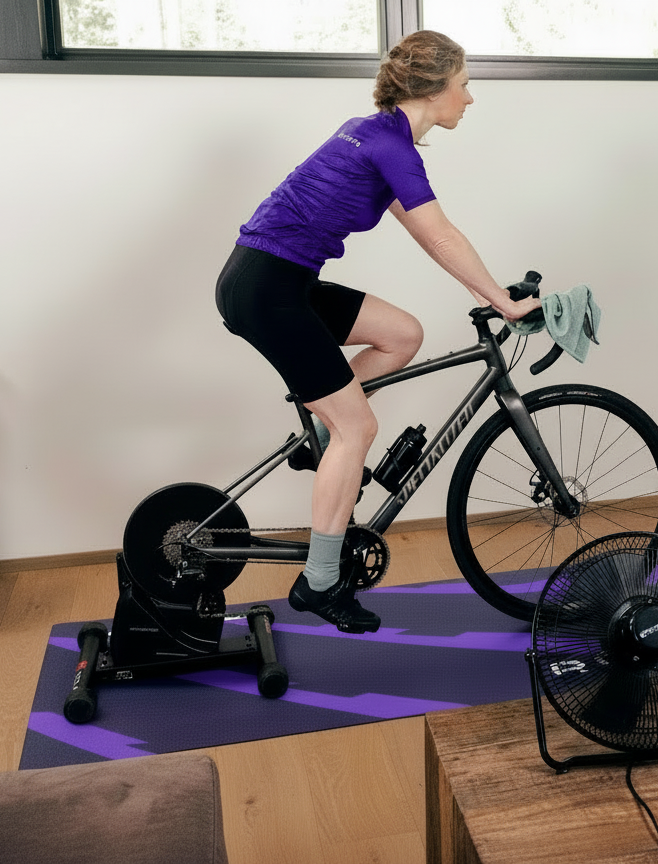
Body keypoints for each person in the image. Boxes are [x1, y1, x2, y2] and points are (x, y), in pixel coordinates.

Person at [215, 30, 541, 633]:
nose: (469, 99)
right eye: (464, 85)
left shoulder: (377, 136)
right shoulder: (391, 148)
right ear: (434, 88)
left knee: (401, 333)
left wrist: (487, 295)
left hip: (275, 280)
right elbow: (441, 234)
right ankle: (319, 583)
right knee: (359, 427)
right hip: (267, 291)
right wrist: (504, 302)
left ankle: (322, 429)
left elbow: (428, 237)